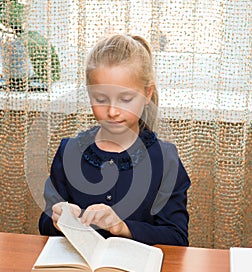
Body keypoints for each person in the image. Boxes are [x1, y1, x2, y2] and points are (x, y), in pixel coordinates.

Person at [39, 34, 191, 246]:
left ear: (147, 94)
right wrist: (58, 218)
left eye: (125, 99)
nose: (112, 111)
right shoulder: (69, 151)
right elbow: (44, 225)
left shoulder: (165, 160)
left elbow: (177, 238)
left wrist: (122, 227)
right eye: (100, 99)